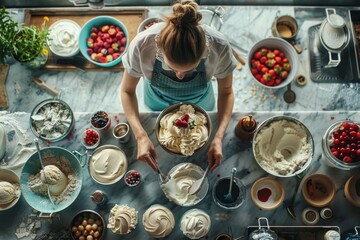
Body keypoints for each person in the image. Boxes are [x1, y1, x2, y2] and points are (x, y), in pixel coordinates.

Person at [120, 0, 236, 172]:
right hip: (156, 100)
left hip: (201, 102)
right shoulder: (143, 45)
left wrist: (218, 137)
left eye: (190, 70)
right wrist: (141, 136)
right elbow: (126, 91)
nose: (180, 76)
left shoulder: (219, 46)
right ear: (159, 49)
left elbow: (226, 92)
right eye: (172, 69)